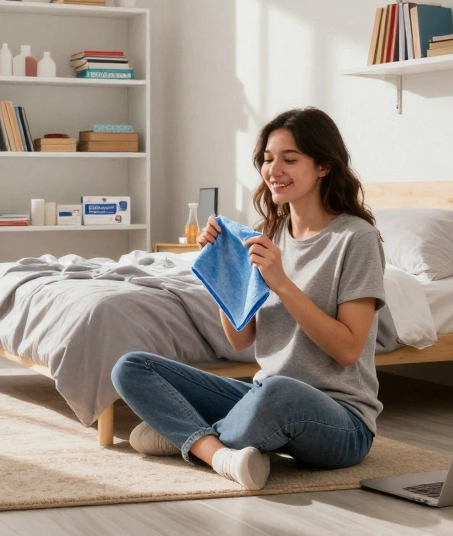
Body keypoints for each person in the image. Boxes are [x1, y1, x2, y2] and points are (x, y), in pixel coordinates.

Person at [110, 107, 385, 490]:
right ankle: (219, 453)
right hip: (261, 398)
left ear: (323, 166)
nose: (274, 170)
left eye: (290, 159)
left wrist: (283, 284)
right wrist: (223, 269)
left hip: (340, 421)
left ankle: (187, 438)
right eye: (268, 160)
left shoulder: (356, 239)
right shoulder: (269, 233)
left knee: (278, 390)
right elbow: (241, 338)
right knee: (131, 366)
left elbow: (348, 350)